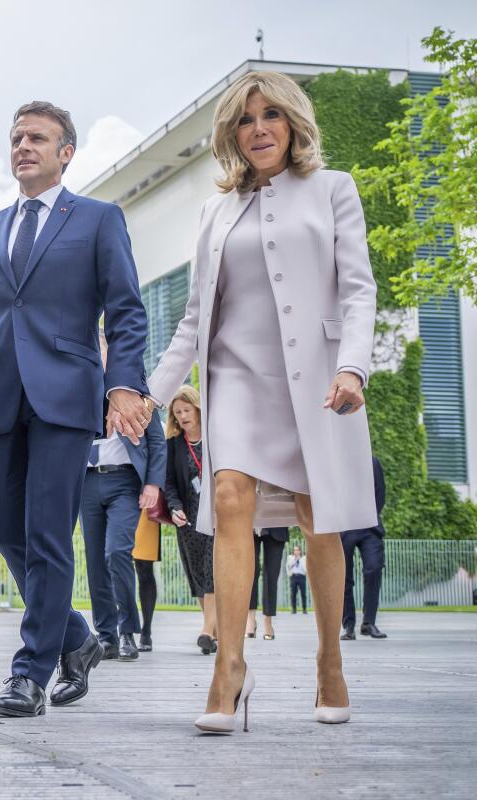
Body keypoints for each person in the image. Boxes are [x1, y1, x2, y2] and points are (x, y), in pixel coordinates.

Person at [148, 71, 378, 733]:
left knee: (319, 515)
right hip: (238, 374)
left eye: (272, 115)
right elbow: (194, 318)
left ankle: (330, 661)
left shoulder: (333, 190)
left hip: (316, 376)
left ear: (293, 123)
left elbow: (358, 289)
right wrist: (150, 394)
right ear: (232, 133)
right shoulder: (214, 212)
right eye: (246, 120)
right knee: (226, 499)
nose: (260, 129)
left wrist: (354, 368)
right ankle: (229, 666)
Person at [0, 101, 152, 718]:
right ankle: (78, 637)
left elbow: (125, 310)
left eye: (37, 138)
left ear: (66, 152)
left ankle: (29, 674)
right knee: (8, 532)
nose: (23, 147)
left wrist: (123, 385)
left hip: (67, 396)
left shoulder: (96, 219)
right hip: (0, 399)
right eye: (16, 138)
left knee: (46, 534)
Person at [80, 335, 165, 662]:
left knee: (117, 551)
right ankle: (107, 636)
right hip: (87, 481)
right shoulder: (81, 390)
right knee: (95, 561)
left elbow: (157, 441)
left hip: (124, 483)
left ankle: (128, 629)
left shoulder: (134, 389)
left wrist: (153, 484)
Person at [163, 385, 217, 654]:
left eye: (186, 410)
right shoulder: (173, 445)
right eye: (178, 412)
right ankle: (211, 628)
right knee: (197, 574)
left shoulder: (214, 437)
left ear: (197, 409)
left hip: (217, 515)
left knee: (212, 572)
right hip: (188, 519)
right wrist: (173, 508)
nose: (183, 416)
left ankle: (207, 631)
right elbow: (169, 483)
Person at [342, 456, 387, 640]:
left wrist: (369, 515)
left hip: (370, 526)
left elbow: (380, 493)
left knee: (374, 569)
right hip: (344, 525)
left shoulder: (373, 462)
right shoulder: (338, 463)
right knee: (344, 577)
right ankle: (349, 626)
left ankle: (369, 623)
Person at [247, 527, 288, 640]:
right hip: (251, 522)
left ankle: (267, 620)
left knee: (271, 574)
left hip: (276, 522)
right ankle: (251, 619)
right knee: (250, 573)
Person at [132, 512, 159, 652]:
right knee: (114, 563)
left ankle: (146, 630)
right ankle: (116, 630)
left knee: (144, 567)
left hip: (145, 502)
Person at [287, 545, 309, 614]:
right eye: (294, 550)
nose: (296, 551)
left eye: (297, 550)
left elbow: (305, 567)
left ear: (300, 551)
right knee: (293, 593)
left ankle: (304, 609)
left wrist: (299, 559)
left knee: (303, 593)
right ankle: (294, 609)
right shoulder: (290, 558)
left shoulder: (303, 558)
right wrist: (294, 559)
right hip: (293, 576)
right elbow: (288, 566)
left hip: (301, 576)